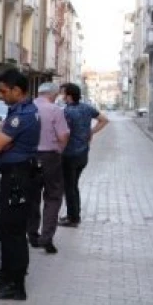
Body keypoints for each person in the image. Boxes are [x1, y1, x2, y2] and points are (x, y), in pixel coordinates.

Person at [0, 68, 40, 301]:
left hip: (17, 177)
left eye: (4, 91)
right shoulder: (23, 111)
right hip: (16, 175)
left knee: (12, 230)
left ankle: (16, 284)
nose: (1, 95)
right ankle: (5, 275)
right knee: (5, 226)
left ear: (17, 90)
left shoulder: (19, 117)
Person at [59, 82, 109, 227]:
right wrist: (91, 131)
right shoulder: (86, 108)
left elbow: (64, 134)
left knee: (70, 187)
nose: (62, 96)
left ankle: (73, 218)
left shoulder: (67, 112)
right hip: (83, 154)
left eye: (63, 93)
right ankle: (73, 215)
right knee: (74, 185)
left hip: (69, 154)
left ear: (69, 96)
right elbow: (104, 120)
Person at [28, 82, 69, 254]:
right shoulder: (55, 110)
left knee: (32, 196)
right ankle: (46, 237)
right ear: (53, 95)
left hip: (28, 158)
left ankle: (32, 233)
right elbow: (63, 135)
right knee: (53, 196)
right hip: (50, 157)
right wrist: (59, 150)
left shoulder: (27, 108)